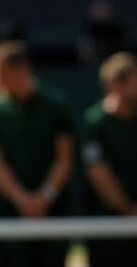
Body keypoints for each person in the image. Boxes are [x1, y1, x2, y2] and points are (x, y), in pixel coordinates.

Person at [0, 39, 75, 267]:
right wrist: (21, 199)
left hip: (53, 212)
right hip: (9, 214)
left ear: (21, 69)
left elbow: (65, 156)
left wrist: (45, 196)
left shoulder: (56, 106)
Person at [82, 51, 137, 267]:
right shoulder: (95, 124)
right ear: (116, 83)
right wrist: (129, 210)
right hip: (106, 229)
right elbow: (99, 173)